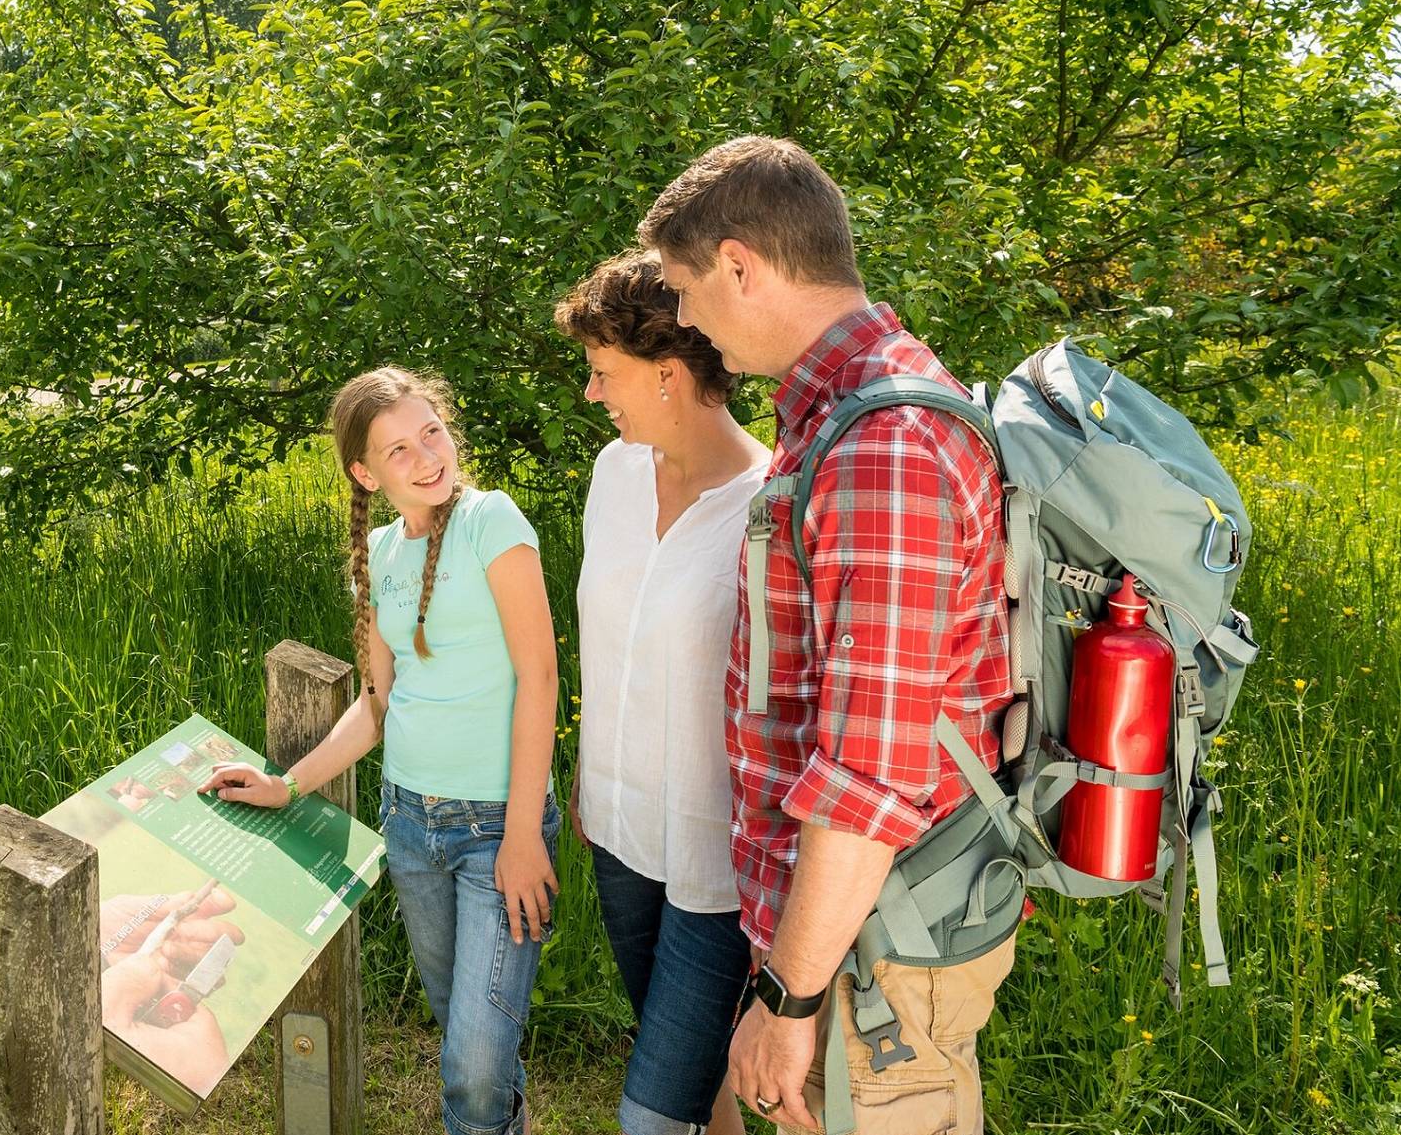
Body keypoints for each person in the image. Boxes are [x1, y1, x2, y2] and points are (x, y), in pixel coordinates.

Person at [638, 136, 1012, 1134]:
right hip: (861, 930)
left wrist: (790, 999)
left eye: (685, 290)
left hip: (876, 951)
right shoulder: (844, 411)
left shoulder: (884, 446)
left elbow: (870, 772)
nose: (684, 318)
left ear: (739, 266)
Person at [200, 366, 560, 1135]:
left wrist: (525, 833)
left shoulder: (491, 520)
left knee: (474, 1062)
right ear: (366, 473)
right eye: (399, 449)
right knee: (468, 1034)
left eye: (432, 431)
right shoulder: (380, 556)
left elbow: (540, 676)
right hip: (410, 825)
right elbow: (375, 705)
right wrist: (285, 785)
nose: (427, 456)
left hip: (499, 825)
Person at [553, 250, 772, 1135]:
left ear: (669, 376)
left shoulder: (769, 504)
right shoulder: (614, 473)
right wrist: (587, 770)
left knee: (651, 1116)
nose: (593, 392)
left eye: (604, 372)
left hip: (719, 861)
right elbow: (613, 645)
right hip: (616, 828)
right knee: (697, 1080)